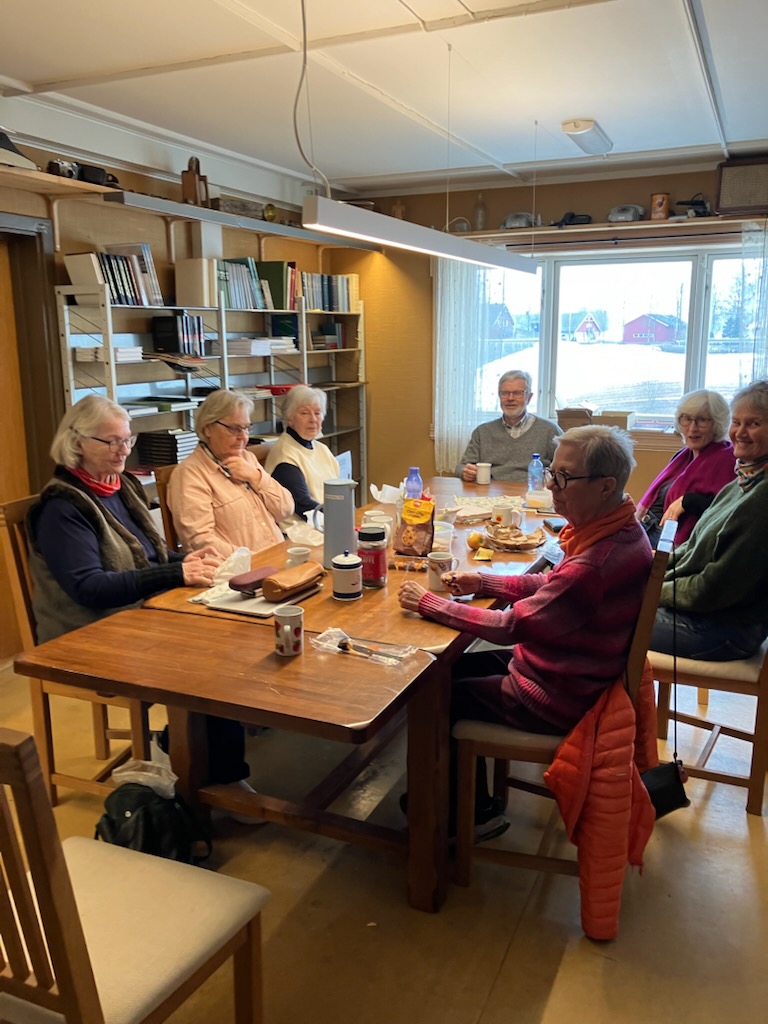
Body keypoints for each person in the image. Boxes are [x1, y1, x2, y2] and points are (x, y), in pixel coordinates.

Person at [401, 425, 652, 836]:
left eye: (563, 477)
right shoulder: (617, 529)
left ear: (606, 486)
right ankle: (465, 798)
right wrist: (484, 581)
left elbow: (510, 625)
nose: (551, 485)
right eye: (552, 473)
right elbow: (554, 586)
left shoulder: (596, 563)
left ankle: (461, 818)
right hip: (570, 671)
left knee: (434, 695)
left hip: (555, 695)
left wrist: (430, 603)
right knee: (439, 671)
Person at [27, 395, 256, 804]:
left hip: (134, 614)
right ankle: (213, 774)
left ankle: (189, 747)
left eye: (127, 440)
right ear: (77, 442)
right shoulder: (61, 507)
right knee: (212, 655)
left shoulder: (121, 485)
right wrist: (174, 573)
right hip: (85, 633)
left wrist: (188, 561)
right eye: (111, 441)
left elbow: (151, 556)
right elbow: (89, 588)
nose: (123, 451)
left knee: (230, 629)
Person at [650, 380, 768, 661]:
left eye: (753, 423)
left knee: (598, 618)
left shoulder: (761, 497)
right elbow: (692, 550)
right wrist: (647, 571)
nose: (740, 432)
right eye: (737, 422)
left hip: (723, 630)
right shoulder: (743, 480)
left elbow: (712, 588)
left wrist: (651, 589)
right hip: (703, 614)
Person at [167, 389, 294, 555]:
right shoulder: (190, 475)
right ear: (208, 428)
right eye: (234, 428)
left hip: (277, 556)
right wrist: (253, 560)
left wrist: (256, 477)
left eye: (246, 428)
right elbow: (200, 542)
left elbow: (285, 510)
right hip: (241, 567)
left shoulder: (247, 458)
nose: (243, 437)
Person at [636, 389, 734, 546]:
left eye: (702, 420)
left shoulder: (726, 459)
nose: (692, 428)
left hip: (672, 543)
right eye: (687, 419)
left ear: (717, 423)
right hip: (648, 529)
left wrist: (688, 501)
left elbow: (726, 510)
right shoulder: (683, 456)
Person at [455, 370, 561, 483]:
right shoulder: (482, 432)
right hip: (491, 491)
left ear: (529, 397)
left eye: (517, 393)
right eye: (505, 393)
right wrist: (465, 472)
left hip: (532, 491)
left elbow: (568, 469)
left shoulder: (550, 431)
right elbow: (461, 467)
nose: (510, 398)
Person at [263, 385, 340, 528]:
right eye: (304, 413)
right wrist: (341, 517)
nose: (313, 419)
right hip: (301, 531)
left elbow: (340, 490)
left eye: (317, 413)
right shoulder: (285, 456)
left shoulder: (322, 449)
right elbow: (303, 506)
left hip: (327, 523)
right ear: (289, 418)